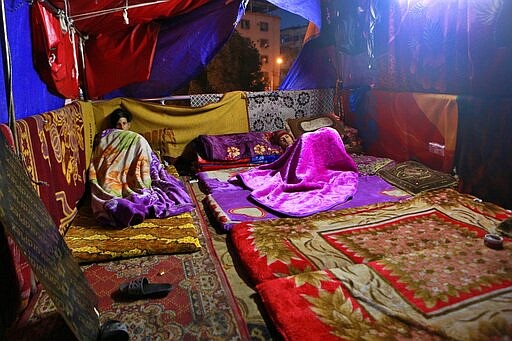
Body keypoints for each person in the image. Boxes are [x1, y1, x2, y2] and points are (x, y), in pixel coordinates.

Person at [89, 108, 194, 227]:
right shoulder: (106, 136)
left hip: (133, 174)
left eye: (124, 123)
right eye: (118, 124)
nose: (122, 127)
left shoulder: (136, 138)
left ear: (129, 125)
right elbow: (101, 156)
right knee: (110, 190)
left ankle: (126, 204)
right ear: (114, 126)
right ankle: (121, 205)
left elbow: (146, 157)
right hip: (112, 176)